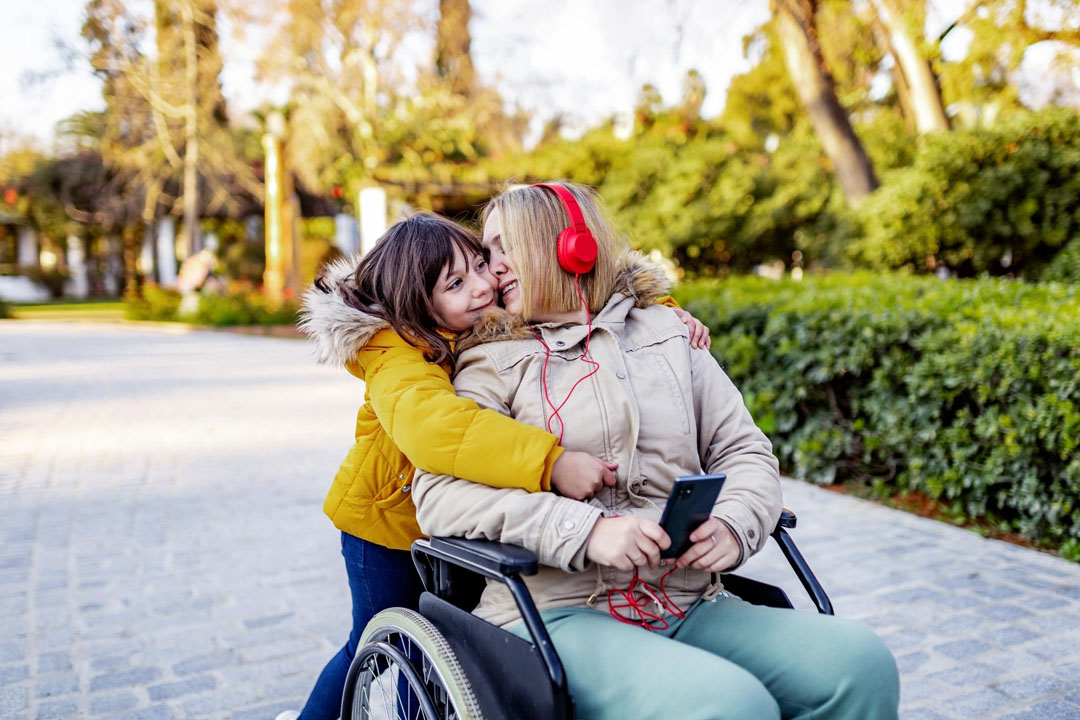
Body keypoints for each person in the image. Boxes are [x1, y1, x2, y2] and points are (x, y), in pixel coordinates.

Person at [412, 183, 900, 720]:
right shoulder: (490, 361)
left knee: (860, 663)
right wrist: (587, 531)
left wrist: (736, 522)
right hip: (557, 611)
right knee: (730, 705)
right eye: (486, 253)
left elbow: (745, 451)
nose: (491, 269)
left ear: (571, 247)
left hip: (687, 599)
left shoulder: (669, 334)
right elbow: (438, 494)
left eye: (506, 249)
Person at [283, 212, 710, 720]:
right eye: (456, 283)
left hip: (460, 526)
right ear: (416, 301)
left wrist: (659, 307)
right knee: (378, 639)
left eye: (481, 266)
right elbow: (438, 429)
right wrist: (550, 462)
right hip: (386, 528)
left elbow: (573, 284)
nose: (485, 285)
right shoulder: (392, 351)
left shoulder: (476, 321)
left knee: (450, 646)